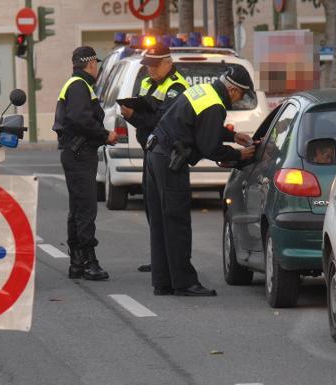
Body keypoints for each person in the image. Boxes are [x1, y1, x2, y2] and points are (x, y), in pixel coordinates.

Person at [145, 67, 256, 296]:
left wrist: (232, 136)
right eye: (242, 95)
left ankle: (163, 281)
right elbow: (209, 147)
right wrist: (238, 155)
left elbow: (200, 124)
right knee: (178, 222)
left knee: (161, 222)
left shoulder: (204, 91)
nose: (240, 100)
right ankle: (184, 283)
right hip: (170, 160)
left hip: (155, 154)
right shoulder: (215, 105)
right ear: (233, 89)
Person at [119, 42, 189, 273]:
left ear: (168, 63)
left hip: (167, 154)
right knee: (153, 208)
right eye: (147, 65)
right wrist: (131, 115)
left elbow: (162, 122)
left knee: (167, 210)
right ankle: (159, 258)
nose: (150, 70)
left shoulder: (176, 87)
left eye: (154, 65)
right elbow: (145, 114)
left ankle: (169, 261)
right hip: (150, 153)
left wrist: (135, 117)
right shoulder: (147, 83)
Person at [53, 46, 118, 281]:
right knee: (86, 209)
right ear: (90, 64)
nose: (97, 68)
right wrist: (105, 135)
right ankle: (89, 261)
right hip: (80, 154)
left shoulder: (75, 85)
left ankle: (77, 261)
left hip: (75, 153)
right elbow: (81, 119)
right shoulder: (80, 86)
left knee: (78, 209)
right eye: (96, 64)